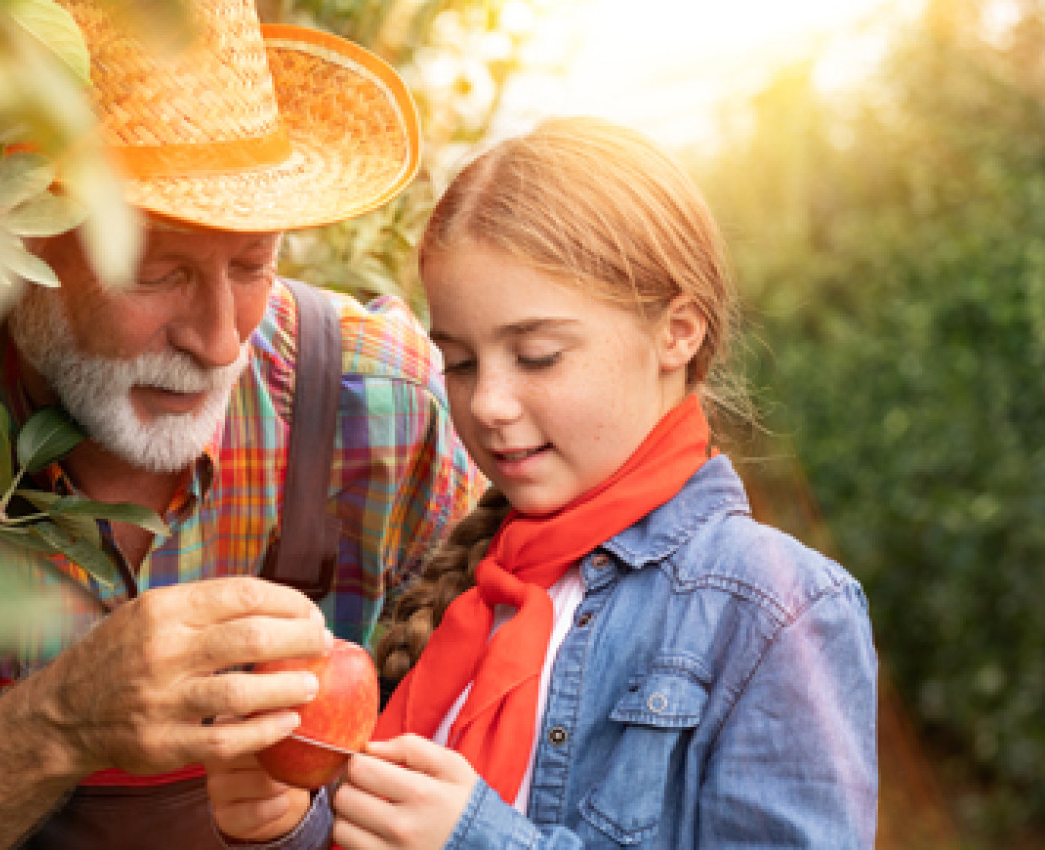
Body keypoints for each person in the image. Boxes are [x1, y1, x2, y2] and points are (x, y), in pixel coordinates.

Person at [0, 1, 479, 847]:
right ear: (17, 241)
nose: (218, 340)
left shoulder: (378, 404)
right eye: (156, 272)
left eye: (252, 265)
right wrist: (58, 723)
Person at [206, 117, 879, 848]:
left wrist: (478, 841)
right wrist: (290, 824)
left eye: (537, 356)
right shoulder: (460, 582)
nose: (488, 404)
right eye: (459, 364)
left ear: (677, 332)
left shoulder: (778, 611)